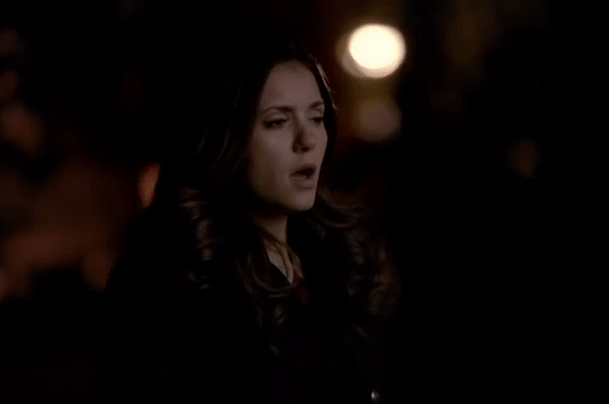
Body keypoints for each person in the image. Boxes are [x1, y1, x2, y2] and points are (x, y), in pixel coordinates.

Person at [102, 38, 398, 404]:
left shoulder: (338, 258)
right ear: (224, 137)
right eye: (278, 122)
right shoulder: (170, 281)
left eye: (316, 117)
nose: (307, 139)